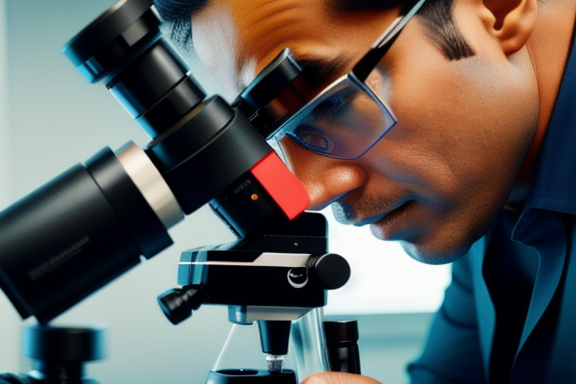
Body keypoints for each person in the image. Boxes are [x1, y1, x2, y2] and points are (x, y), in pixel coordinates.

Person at [153, 0, 576, 383]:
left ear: (496, 8)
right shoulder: (487, 197)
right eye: (275, 134)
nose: (310, 192)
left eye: (330, 103)